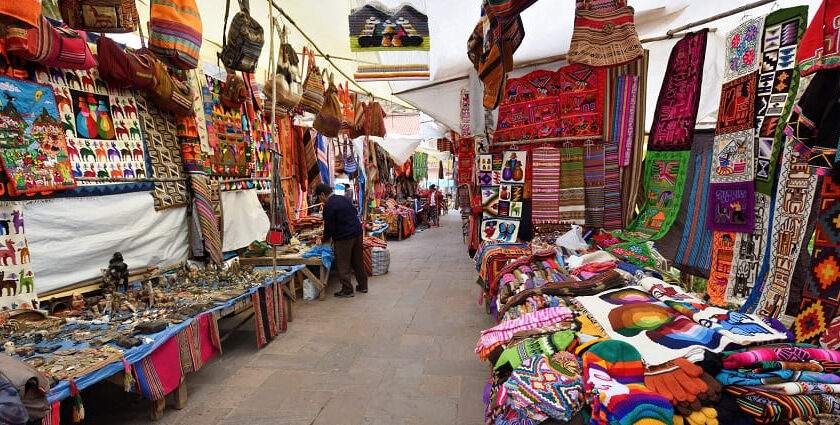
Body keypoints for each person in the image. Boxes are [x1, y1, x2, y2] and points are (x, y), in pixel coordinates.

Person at [315, 183, 367, 298]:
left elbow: (329, 226)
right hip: (357, 233)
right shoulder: (344, 198)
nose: (321, 200)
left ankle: (347, 289)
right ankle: (363, 285)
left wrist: (325, 238)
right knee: (358, 260)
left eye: (319, 197)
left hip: (344, 236)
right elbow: (354, 213)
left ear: (323, 194)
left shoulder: (329, 205)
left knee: (343, 263)